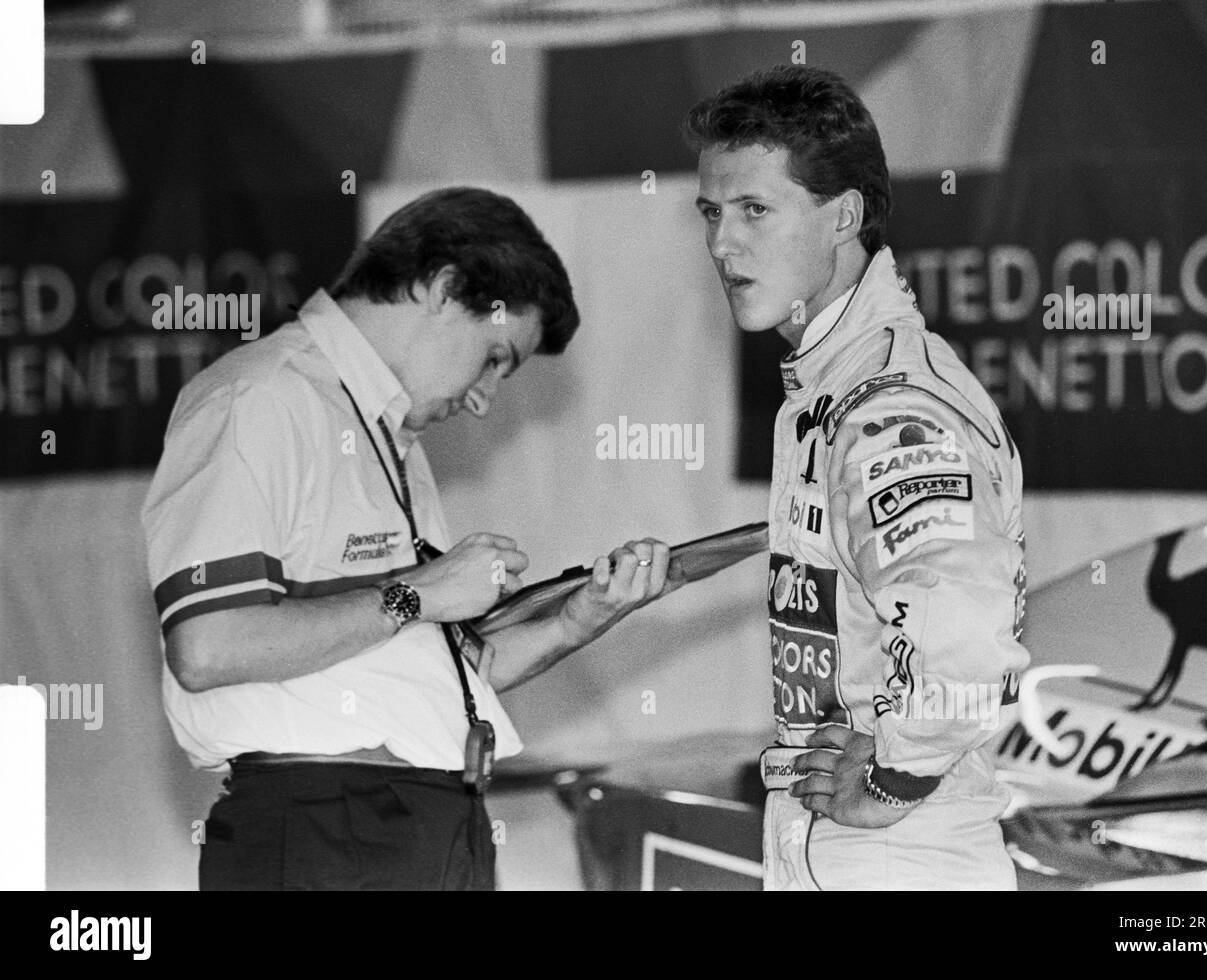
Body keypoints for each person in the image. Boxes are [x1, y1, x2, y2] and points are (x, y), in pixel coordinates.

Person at [141, 187, 675, 890]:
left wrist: (580, 622)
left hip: (425, 826)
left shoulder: (392, 436)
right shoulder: (260, 397)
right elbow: (205, 646)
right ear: (442, 286)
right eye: (494, 357)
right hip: (325, 830)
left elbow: (421, 678)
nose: (485, 398)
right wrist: (418, 593)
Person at [685, 66, 1030, 889]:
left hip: (897, 852)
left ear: (844, 216)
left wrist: (893, 778)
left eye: (753, 211)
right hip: (847, 844)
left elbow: (965, 644)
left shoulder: (889, 404)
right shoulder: (829, 386)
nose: (720, 244)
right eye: (711, 213)